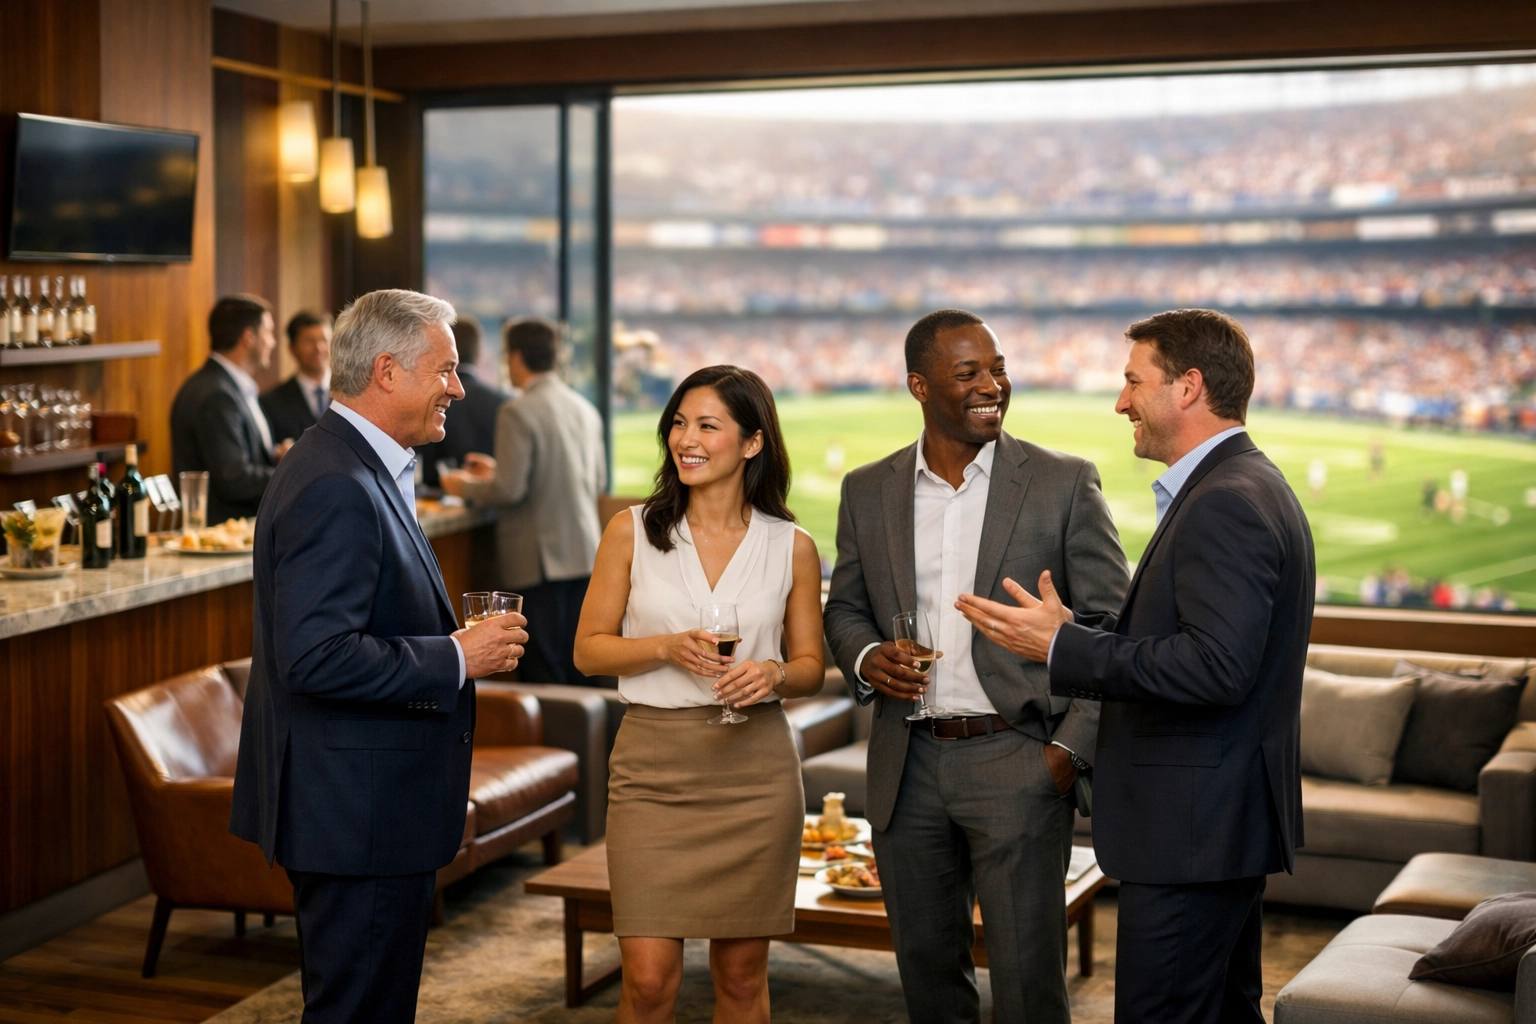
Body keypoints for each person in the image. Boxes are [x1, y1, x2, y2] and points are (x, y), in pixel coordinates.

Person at [959, 308, 1314, 1024]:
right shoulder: (1245, 483)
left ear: (1187, 388)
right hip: (1214, 827)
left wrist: (1061, 648)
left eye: (1132, 382)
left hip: (1191, 833)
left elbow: (1215, 667)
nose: (1121, 402)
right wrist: (1074, 631)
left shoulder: (1226, 502)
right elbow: (1197, 642)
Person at [229, 289, 528, 1024]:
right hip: (354, 816)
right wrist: (457, 656)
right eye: (446, 370)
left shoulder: (351, 463)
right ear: (388, 372)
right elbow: (318, 657)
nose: (458, 387)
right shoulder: (335, 482)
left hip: (366, 810)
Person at [823, 308, 1129, 1024]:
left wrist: (1065, 752)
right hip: (907, 765)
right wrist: (869, 657)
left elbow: (1113, 632)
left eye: (998, 369)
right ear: (920, 386)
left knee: (1028, 990)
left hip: (1019, 762)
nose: (994, 384)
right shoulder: (867, 490)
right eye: (970, 373)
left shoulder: (1063, 482)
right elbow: (845, 608)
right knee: (929, 983)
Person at [573, 365, 825, 1024]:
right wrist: (661, 647)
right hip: (653, 772)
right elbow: (588, 649)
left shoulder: (792, 545)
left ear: (751, 442)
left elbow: (810, 666)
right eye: (679, 423)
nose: (685, 438)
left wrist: (772, 675)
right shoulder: (630, 531)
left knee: (742, 980)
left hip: (757, 773)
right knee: (650, 983)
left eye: (707, 425)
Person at [441, 318, 606, 685]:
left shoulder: (518, 410)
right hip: (583, 553)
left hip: (539, 559)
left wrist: (462, 485)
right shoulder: (584, 408)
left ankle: (548, 741)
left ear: (515, 358)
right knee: (576, 663)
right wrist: (499, 471)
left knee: (542, 671)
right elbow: (595, 480)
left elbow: (509, 491)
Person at [171, 294, 293, 524]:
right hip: (224, 535)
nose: (273, 342)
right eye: (268, 332)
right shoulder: (216, 395)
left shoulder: (226, 386)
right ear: (248, 337)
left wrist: (274, 455)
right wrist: (291, 470)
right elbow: (233, 478)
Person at [416, 314, 512, 488]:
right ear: (479, 353)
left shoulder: (423, 399)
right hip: (492, 508)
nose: (457, 392)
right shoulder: (506, 404)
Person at [259, 310, 333, 445]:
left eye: (324, 340)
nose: (318, 348)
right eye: (309, 341)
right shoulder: (270, 403)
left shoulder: (355, 392)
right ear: (292, 348)